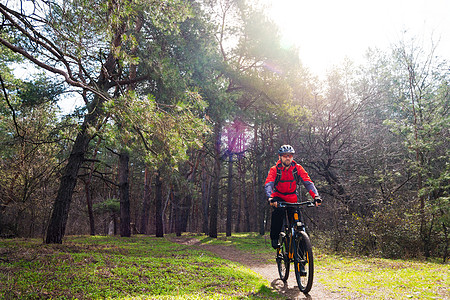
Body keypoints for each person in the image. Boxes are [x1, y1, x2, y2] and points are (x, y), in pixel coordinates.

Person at [264, 144, 322, 249]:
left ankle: (301, 255)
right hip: (278, 197)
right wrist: (270, 197)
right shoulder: (275, 170)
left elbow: (308, 182)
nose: (287, 158)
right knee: (278, 214)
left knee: (297, 224)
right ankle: (274, 238)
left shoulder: (297, 168)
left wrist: (316, 196)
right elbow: (269, 184)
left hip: (292, 198)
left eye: (290, 155)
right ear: (280, 157)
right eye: (285, 155)